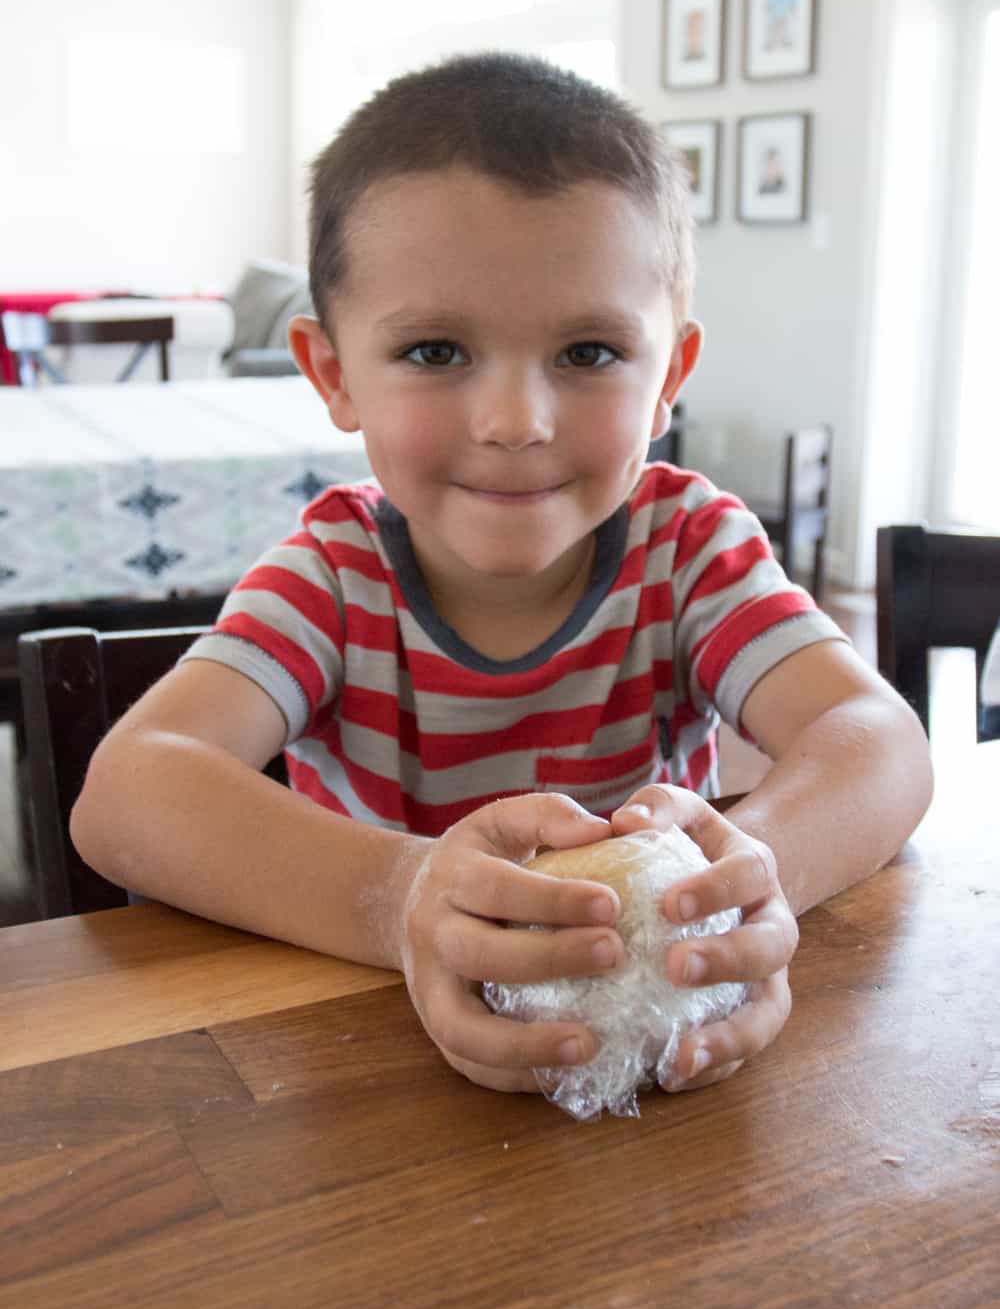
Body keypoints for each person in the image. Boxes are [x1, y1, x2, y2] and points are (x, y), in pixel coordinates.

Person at [72, 53, 933, 1097]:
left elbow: (880, 745)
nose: (515, 423)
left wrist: (746, 883)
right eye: (436, 352)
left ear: (669, 377)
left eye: (587, 353)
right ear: (333, 374)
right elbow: (126, 795)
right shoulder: (334, 579)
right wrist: (403, 900)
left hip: (664, 1084)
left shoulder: (688, 549)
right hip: (374, 1087)